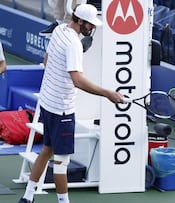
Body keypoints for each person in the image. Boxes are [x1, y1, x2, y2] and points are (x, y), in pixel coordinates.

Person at [18, 4, 125, 203]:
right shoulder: (74, 45)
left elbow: (47, 61)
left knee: (46, 149)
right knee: (61, 163)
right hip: (62, 109)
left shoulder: (59, 30)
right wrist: (107, 93)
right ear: (80, 21)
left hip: (47, 103)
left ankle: (27, 197)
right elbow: (77, 80)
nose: (92, 28)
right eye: (90, 24)